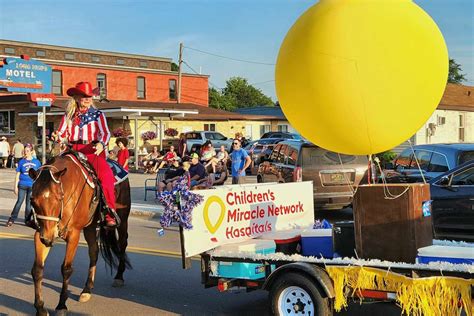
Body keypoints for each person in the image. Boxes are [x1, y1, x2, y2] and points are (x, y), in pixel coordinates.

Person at [53, 81, 117, 227]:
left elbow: (106, 133)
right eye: (84, 96)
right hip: (71, 150)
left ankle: (109, 212)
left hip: (91, 151)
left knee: (107, 177)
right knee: (49, 172)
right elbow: (62, 133)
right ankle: (44, 210)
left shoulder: (98, 115)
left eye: (89, 96)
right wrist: (58, 137)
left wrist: (101, 144)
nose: (87, 99)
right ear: (76, 98)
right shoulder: (69, 115)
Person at [6, 144, 41, 227]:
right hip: (22, 185)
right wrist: (15, 186)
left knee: (28, 204)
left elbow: (39, 174)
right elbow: (18, 174)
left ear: (32, 151)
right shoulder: (21, 161)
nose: (26, 152)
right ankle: (12, 219)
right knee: (19, 202)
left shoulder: (37, 162)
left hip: (32, 186)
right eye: (25, 151)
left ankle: (27, 220)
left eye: (28, 151)